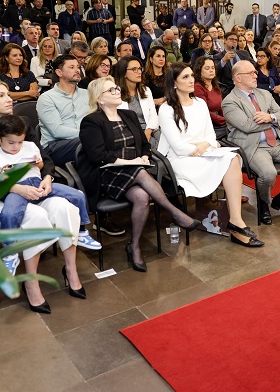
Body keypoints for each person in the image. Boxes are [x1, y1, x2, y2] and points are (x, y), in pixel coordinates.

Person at [0, 80, 84, 313]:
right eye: (2, 95)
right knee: (36, 215)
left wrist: (47, 178)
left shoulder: (22, 123)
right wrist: (15, 189)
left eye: (8, 94)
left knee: (66, 208)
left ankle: (70, 269)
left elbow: (44, 159)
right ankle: (31, 282)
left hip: (35, 187)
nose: (9, 99)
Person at [78, 77, 201, 272]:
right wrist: (132, 163)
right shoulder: (91, 121)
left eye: (116, 88)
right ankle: (175, 212)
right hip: (106, 173)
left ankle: (134, 246)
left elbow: (144, 144)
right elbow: (98, 155)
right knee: (141, 173)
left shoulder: (129, 115)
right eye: (111, 90)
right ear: (99, 99)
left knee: (142, 197)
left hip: (133, 170)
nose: (117, 91)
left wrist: (143, 156)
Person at [157, 63, 263, 247]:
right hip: (181, 160)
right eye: (185, 77)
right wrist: (202, 146)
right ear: (174, 83)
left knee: (233, 158)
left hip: (205, 152)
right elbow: (179, 147)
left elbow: (212, 137)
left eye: (191, 76)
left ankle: (236, 220)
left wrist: (204, 145)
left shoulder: (199, 103)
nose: (191, 80)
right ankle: (236, 226)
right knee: (229, 160)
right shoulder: (167, 109)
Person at [0, 114, 100, 272]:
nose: (16, 147)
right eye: (11, 142)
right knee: (8, 214)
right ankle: (9, 251)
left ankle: (81, 231)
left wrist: (39, 168)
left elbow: (40, 165)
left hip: (38, 183)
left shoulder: (30, 146)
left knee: (77, 195)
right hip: (16, 188)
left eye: (20, 142)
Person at [222, 61, 280, 224]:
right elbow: (247, 126)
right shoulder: (230, 101)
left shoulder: (264, 94)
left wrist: (270, 117)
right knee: (268, 174)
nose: (256, 75)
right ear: (238, 78)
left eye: (255, 72)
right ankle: (264, 202)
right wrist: (272, 119)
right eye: (251, 73)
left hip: (277, 142)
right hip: (254, 146)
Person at [115, 56, 158, 142]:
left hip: (150, 130)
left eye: (139, 68)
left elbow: (154, 116)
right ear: (123, 73)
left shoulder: (146, 90)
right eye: (134, 69)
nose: (139, 72)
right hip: (129, 134)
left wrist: (148, 132)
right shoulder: (115, 93)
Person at [193, 56, 228, 140]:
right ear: (199, 70)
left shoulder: (215, 85)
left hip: (219, 122)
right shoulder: (197, 87)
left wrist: (228, 118)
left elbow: (220, 107)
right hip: (207, 125)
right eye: (207, 68)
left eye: (213, 68)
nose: (211, 70)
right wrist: (225, 120)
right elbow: (204, 112)